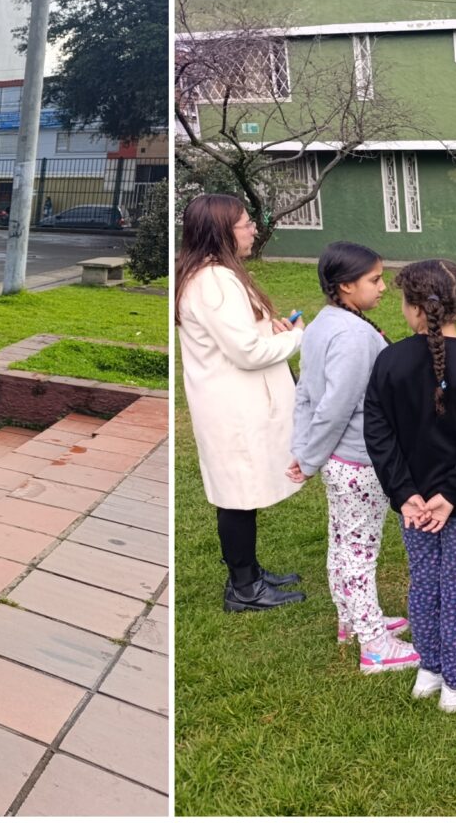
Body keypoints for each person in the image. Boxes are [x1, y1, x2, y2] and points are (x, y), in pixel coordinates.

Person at [366, 258, 456, 713]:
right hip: (455, 503)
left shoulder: (390, 361)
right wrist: (435, 496)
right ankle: (455, 681)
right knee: (455, 586)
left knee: (425, 580)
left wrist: (409, 493)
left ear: (412, 309)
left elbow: (378, 433)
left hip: (423, 503)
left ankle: (433, 669)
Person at [288, 240, 417, 673]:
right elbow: (332, 406)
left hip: (339, 461)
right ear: (345, 286)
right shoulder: (354, 335)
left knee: (343, 542)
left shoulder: (323, 323)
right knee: (359, 551)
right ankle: (374, 644)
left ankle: (353, 621)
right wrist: (307, 458)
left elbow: (305, 395)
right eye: (374, 280)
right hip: (360, 460)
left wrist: (305, 451)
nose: (383, 288)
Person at [175, 192, 306, 612]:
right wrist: (299, 337)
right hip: (230, 405)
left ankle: (248, 571)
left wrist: (274, 329)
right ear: (220, 231)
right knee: (236, 494)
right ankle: (244, 587)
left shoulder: (215, 275)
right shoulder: (213, 280)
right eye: (246, 223)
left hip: (233, 401)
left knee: (241, 491)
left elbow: (242, 334)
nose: (254, 229)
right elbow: (246, 351)